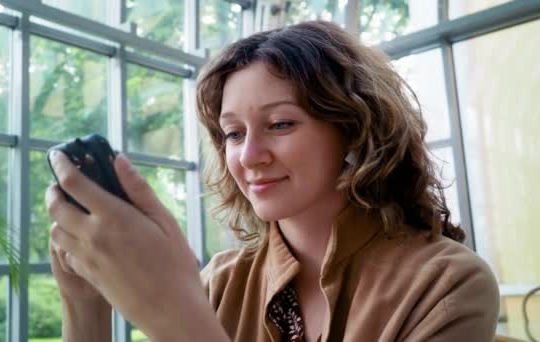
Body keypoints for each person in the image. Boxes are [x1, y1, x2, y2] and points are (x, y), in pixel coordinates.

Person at [45, 20, 499, 342]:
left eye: (280, 124)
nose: (249, 156)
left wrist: (175, 315)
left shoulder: (445, 285)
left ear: (354, 130)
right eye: (234, 133)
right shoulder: (219, 282)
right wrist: (85, 304)